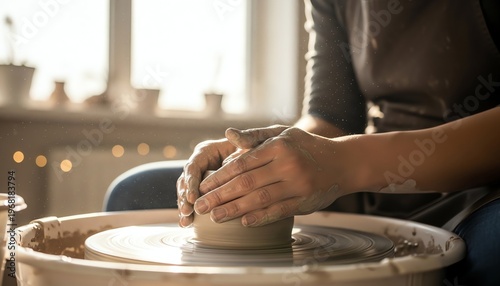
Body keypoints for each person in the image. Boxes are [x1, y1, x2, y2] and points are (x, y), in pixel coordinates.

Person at [177, 0, 500, 285]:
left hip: (479, 193)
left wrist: (346, 163)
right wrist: (257, 157)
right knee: (138, 191)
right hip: (362, 184)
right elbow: (330, 119)